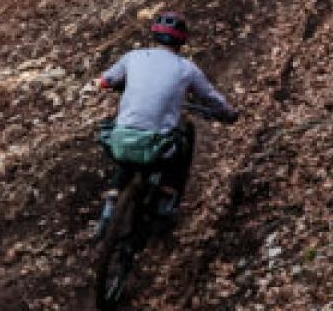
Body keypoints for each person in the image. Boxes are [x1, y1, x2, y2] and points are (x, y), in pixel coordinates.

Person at [95, 12, 238, 221]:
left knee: (125, 143)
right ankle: (166, 195)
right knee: (181, 146)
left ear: (154, 34)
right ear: (182, 40)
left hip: (120, 139)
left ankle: (114, 192)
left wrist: (111, 84)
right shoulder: (187, 69)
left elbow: (104, 81)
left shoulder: (132, 57)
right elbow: (210, 96)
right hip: (157, 145)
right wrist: (229, 113)